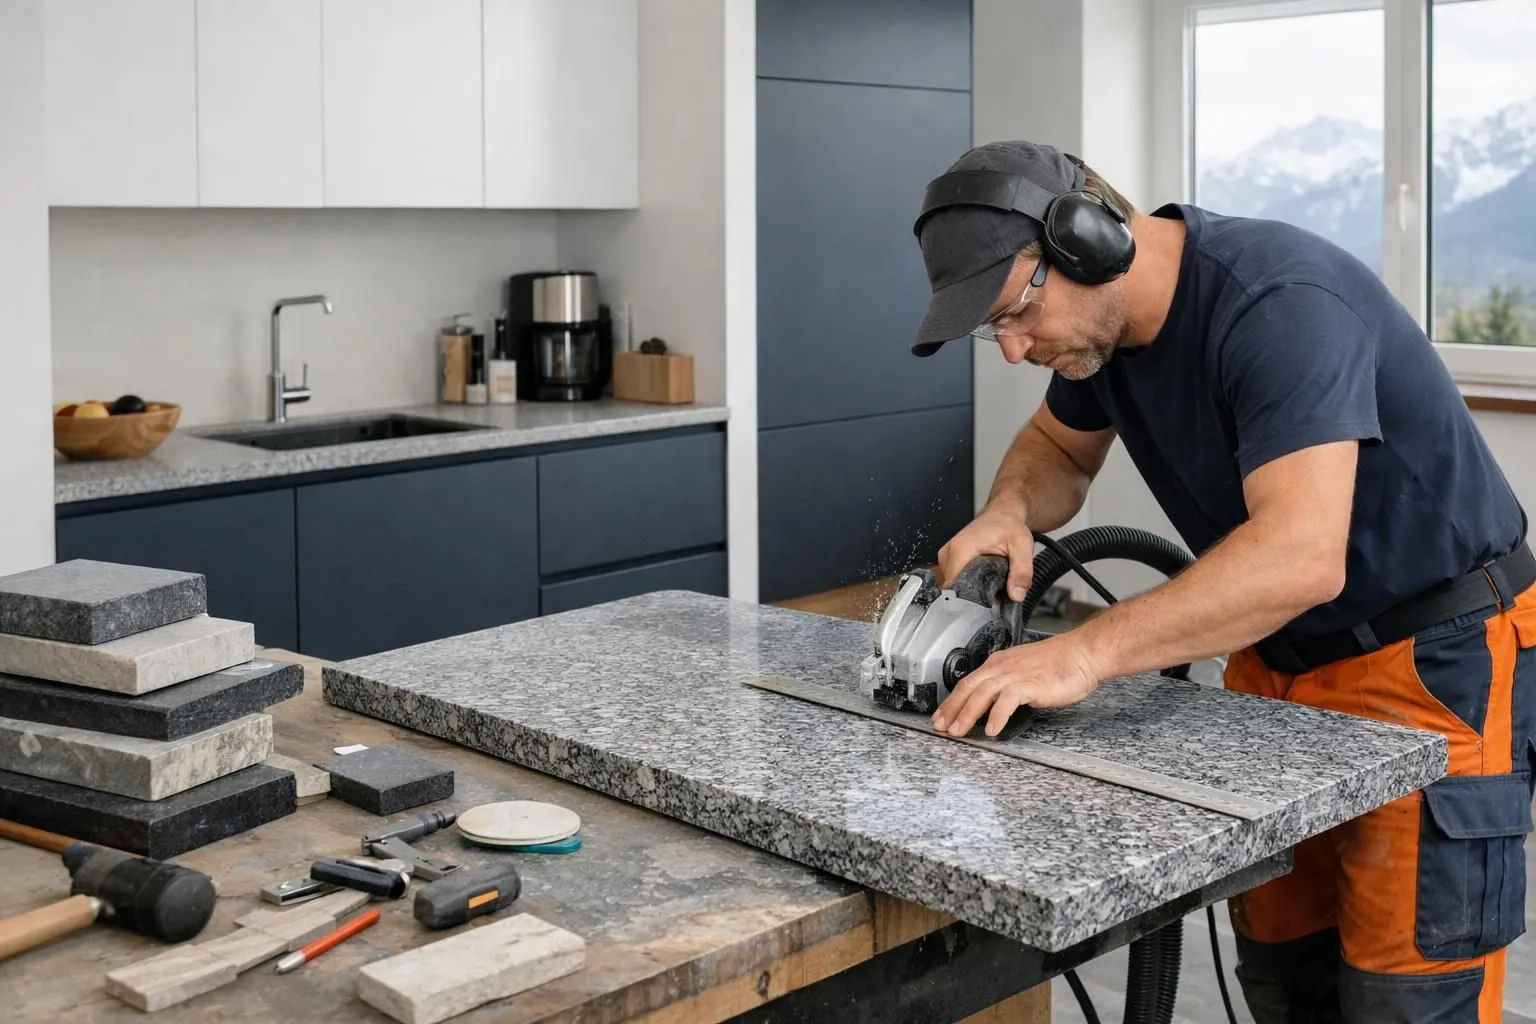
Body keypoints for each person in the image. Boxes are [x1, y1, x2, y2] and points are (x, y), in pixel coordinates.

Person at [910, 139, 1534, 1023]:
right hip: (1280, 661)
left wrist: (1086, 652)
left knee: (1410, 999)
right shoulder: (1106, 338)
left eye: (1014, 311)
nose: (1011, 349)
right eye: (991, 329)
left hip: (1430, 661)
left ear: (1090, 242)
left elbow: (1300, 554)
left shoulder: (1278, 306)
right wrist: (1011, 510)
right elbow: (1054, 450)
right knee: (1287, 978)